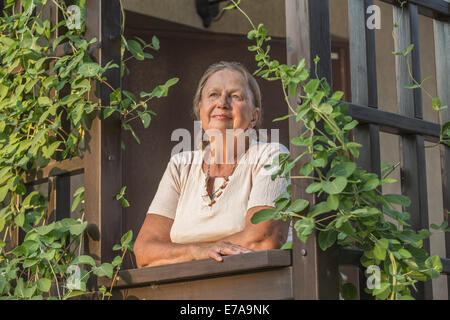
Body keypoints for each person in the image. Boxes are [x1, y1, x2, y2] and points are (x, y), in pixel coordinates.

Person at [134, 61, 290, 268]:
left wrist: (182, 252)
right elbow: (145, 252)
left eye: (235, 96)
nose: (222, 103)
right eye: (213, 94)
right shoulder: (181, 164)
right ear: (200, 110)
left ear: (254, 116)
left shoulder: (271, 155)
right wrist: (197, 251)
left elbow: (262, 239)